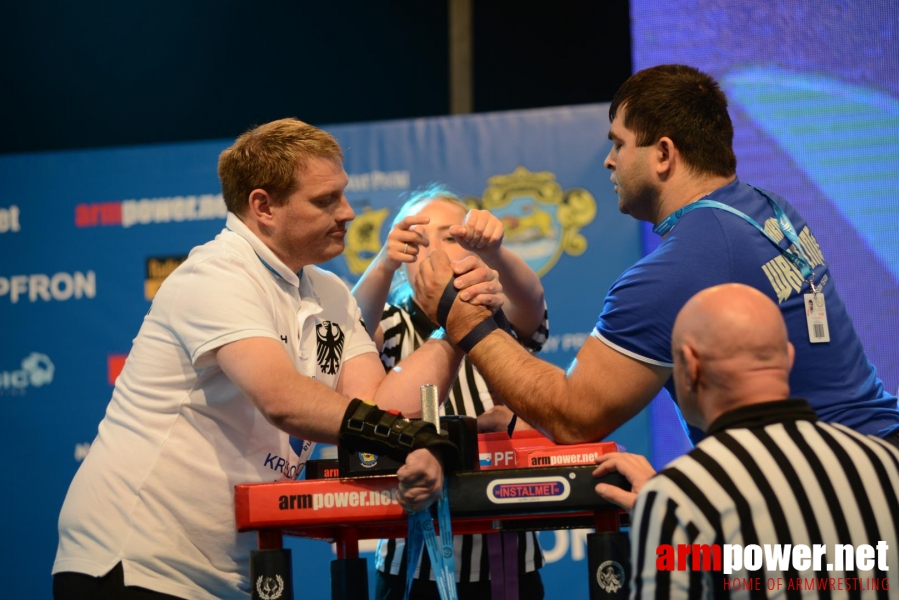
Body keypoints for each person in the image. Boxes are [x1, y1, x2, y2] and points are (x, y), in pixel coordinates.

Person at [51, 119, 499, 600]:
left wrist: (455, 328)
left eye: (343, 194)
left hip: (229, 574)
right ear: (263, 206)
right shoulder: (216, 274)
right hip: (135, 564)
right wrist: (412, 439)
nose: (348, 212)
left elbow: (378, 403)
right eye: (325, 200)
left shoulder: (328, 290)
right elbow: (282, 399)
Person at [409, 63, 899, 448]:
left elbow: (575, 416)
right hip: (873, 461)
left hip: (829, 496)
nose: (608, 160)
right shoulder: (767, 207)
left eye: (618, 144)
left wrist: (464, 318)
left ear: (663, 154)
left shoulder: (684, 265)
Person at [593, 283, 899, 597]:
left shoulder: (679, 500)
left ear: (690, 366)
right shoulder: (887, 464)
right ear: (788, 358)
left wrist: (667, 512)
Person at [351, 184, 548, 599]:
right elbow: (351, 330)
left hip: (508, 559)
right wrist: (384, 264)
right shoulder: (394, 322)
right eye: (415, 239)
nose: (432, 248)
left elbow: (531, 305)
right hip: (411, 559)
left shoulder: (493, 313)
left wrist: (496, 251)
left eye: (450, 235)